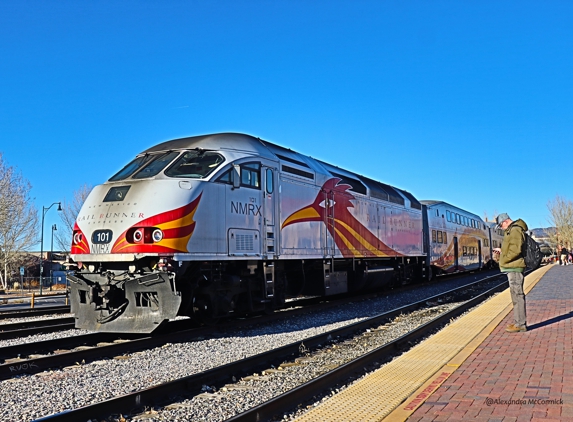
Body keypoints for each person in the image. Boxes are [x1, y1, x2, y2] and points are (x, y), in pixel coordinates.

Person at [493, 213, 528, 333]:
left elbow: (516, 250)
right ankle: (518, 322)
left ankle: (520, 324)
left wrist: (504, 257)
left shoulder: (515, 230)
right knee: (515, 295)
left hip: (515, 267)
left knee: (517, 295)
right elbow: (513, 248)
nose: (501, 228)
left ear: (506, 222)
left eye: (501, 225)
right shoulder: (513, 231)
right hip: (512, 267)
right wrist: (502, 251)